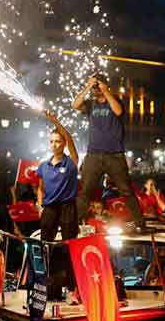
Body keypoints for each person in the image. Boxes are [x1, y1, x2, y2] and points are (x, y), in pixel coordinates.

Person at [72, 74, 145, 232]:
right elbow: (75, 104)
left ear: (106, 85)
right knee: (85, 191)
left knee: (126, 190)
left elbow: (118, 111)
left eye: (99, 84)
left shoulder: (115, 100)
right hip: (93, 155)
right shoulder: (91, 104)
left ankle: (140, 223)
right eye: (95, 85)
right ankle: (77, 224)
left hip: (115, 155)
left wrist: (106, 91)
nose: (96, 88)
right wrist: (87, 87)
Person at [37, 110, 80, 242]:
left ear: (64, 143)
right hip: (50, 207)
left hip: (68, 207)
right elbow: (41, 188)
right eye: (51, 141)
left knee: (69, 244)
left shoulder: (71, 162)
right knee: (45, 242)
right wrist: (40, 206)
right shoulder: (43, 165)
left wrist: (55, 121)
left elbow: (70, 138)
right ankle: (47, 262)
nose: (54, 145)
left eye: (58, 141)